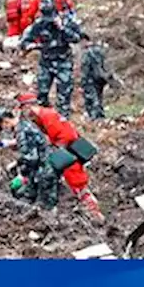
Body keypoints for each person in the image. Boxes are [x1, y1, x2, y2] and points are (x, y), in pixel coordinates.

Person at [16, 93, 104, 222]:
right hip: (65, 153)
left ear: (28, 106)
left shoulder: (47, 116)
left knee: (78, 184)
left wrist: (54, 151)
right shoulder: (41, 117)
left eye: (23, 108)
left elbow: (66, 137)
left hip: (68, 154)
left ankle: (95, 215)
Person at [21, 0, 83, 117]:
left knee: (64, 97)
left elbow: (76, 38)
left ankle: (63, 124)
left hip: (63, 62)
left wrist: (62, 28)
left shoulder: (65, 21)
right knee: (41, 95)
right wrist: (32, 45)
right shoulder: (39, 24)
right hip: (46, 62)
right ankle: (45, 120)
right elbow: (24, 41)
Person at [0, 107, 55, 208]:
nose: (6, 129)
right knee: (23, 194)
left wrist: (22, 175)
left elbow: (31, 159)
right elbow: (32, 144)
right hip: (40, 166)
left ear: (6, 122)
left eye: (3, 126)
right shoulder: (25, 124)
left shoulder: (22, 132)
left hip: (44, 171)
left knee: (45, 205)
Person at [80, 34, 111, 119]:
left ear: (84, 40)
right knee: (99, 98)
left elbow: (85, 70)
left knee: (92, 100)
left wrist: (82, 83)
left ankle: (95, 118)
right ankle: (100, 116)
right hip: (100, 79)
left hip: (90, 80)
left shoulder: (87, 53)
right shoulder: (99, 50)